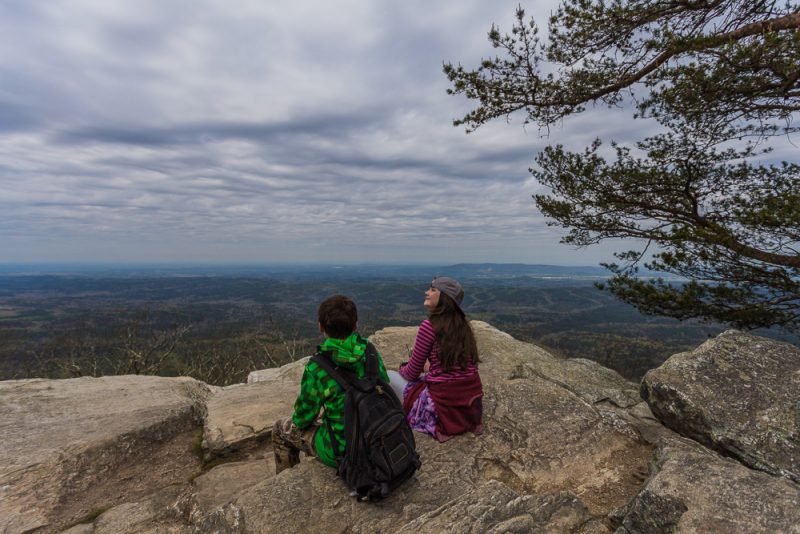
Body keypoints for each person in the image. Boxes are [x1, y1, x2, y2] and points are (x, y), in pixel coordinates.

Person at [272, 295, 390, 474]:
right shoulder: (370, 351)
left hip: (344, 450)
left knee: (281, 429)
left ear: (320, 327)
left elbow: (303, 417)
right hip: (379, 438)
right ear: (355, 324)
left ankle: (287, 481)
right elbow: (384, 387)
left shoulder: (317, 367)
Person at [388, 276, 483, 442]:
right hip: (468, 405)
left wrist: (401, 368)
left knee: (388, 376)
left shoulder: (429, 326)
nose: (427, 292)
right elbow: (454, 368)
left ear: (445, 297)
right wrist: (429, 368)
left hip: (442, 407)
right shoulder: (463, 326)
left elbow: (411, 373)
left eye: (433, 290)